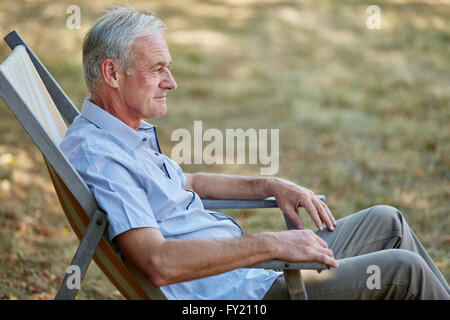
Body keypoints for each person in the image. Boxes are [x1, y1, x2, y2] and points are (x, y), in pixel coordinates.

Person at [60, 6, 449, 300]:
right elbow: (157, 262)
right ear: (112, 74)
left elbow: (187, 182)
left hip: (254, 271)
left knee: (388, 221)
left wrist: (270, 184)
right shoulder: (102, 156)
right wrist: (274, 244)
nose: (171, 82)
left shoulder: (122, 133)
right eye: (157, 68)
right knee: (405, 271)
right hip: (243, 295)